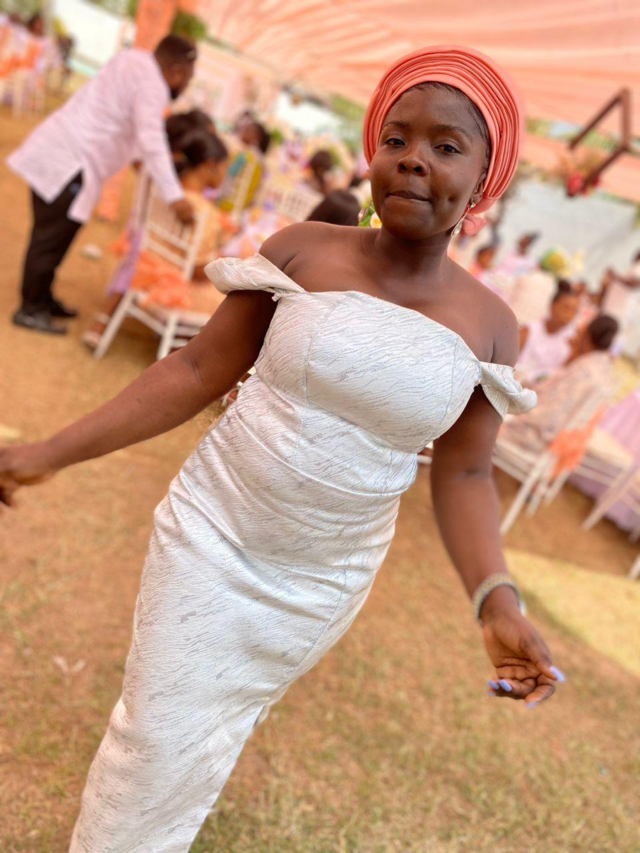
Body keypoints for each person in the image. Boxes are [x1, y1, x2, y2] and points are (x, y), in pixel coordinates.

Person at [0, 45, 566, 851]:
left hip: (320, 580)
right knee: (154, 730)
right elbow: (195, 369)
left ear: (485, 178)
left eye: (446, 146)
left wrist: (496, 599)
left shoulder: (491, 326)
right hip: (213, 532)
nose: (413, 159)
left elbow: (467, 472)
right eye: (397, 138)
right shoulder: (303, 249)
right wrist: (50, 452)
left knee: (209, 732)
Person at [8, 35, 198, 335]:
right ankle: (30, 309)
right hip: (70, 165)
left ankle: (42, 298)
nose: (185, 85)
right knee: (49, 240)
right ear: (176, 71)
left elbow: (119, 120)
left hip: (62, 153)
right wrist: (175, 197)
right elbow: (150, 138)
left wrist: (139, 161)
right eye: (187, 78)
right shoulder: (153, 85)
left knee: (58, 238)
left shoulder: (132, 59)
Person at [82, 131, 230, 349]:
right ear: (211, 165)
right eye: (226, 168)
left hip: (141, 268)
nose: (226, 176)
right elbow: (197, 271)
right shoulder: (203, 212)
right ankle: (184, 349)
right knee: (230, 302)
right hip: (173, 286)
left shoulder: (162, 192)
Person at [502, 315, 619, 453]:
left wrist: (512, 414)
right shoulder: (604, 371)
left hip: (531, 437)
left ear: (587, 335)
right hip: (551, 442)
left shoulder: (583, 371)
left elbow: (547, 417)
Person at [516, 281, 580, 384]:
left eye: (574, 311)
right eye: (566, 308)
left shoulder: (569, 342)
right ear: (552, 306)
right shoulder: (529, 330)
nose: (569, 314)